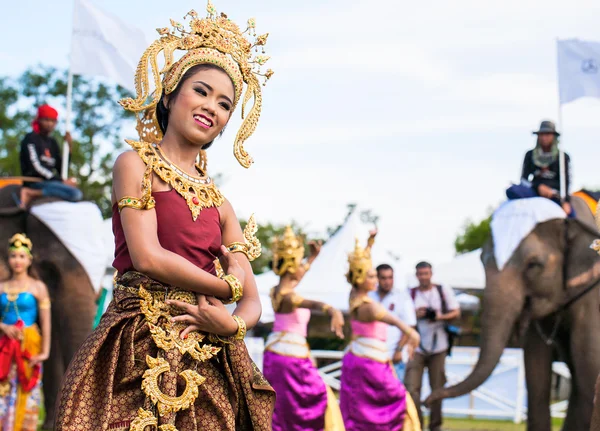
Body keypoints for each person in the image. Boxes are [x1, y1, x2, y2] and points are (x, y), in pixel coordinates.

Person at [55, 3, 276, 429]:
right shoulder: (134, 165)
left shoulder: (221, 205)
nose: (211, 106)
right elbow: (148, 257)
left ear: (228, 123)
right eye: (201, 90)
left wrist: (229, 326)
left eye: (225, 103)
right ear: (171, 92)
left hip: (208, 348)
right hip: (135, 343)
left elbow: (252, 300)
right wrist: (223, 286)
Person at [264, 226, 346, 431]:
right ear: (291, 267)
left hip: (275, 351)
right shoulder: (291, 296)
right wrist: (331, 310)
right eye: (299, 263)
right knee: (318, 395)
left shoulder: (277, 290)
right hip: (290, 356)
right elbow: (314, 304)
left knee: (282, 406)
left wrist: (311, 259)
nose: (303, 267)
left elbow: (297, 276)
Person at [340, 232, 421, 431]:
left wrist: (369, 245)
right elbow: (398, 322)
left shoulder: (354, 296)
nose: (376, 279)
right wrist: (412, 334)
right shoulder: (371, 307)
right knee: (398, 399)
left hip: (355, 359)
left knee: (359, 409)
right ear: (360, 277)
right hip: (370, 363)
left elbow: (359, 269)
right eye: (372, 276)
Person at [0, 234, 51, 431]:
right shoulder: (2, 286)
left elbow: (46, 323)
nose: (17, 261)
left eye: (22, 256)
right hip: (4, 346)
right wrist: (3, 327)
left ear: (29, 260)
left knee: (26, 390)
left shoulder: (38, 287)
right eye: (14, 256)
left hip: (29, 347)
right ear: (8, 259)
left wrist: (44, 352)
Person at [404, 262, 460, 431]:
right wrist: (415, 315)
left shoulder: (442, 291)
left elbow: (456, 312)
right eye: (420, 274)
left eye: (426, 273)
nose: (423, 277)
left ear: (431, 274)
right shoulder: (410, 294)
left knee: (437, 388)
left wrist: (438, 316)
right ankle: (417, 425)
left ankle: (435, 426)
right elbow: (401, 316)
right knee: (412, 388)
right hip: (416, 348)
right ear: (416, 275)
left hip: (439, 346)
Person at [19, 104, 82, 207]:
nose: (49, 124)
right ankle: (30, 193)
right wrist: (61, 181)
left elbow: (61, 169)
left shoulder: (52, 142)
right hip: (35, 182)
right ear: (39, 120)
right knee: (75, 194)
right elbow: (35, 167)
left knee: (75, 189)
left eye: (53, 121)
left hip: (51, 182)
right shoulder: (30, 139)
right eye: (46, 120)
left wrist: (69, 149)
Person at [506, 120, 573, 216]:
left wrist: (565, 201)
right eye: (541, 134)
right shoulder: (529, 155)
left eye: (547, 134)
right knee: (512, 190)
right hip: (534, 191)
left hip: (554, 195)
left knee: (572, 215)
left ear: (554, 136)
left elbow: (566, 182)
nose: (544, 138)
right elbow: (524, 180)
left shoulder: (563, 157)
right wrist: (538, 187)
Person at [368, 263, 416, 381]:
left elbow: (409, 325)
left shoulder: (402, 297)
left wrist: (399, 350)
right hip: (371, 355)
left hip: (393, 356)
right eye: (383, 278)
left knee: (393, 395)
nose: (387, 281)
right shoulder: (369, 296)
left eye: (390, 277)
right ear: (377, 278)